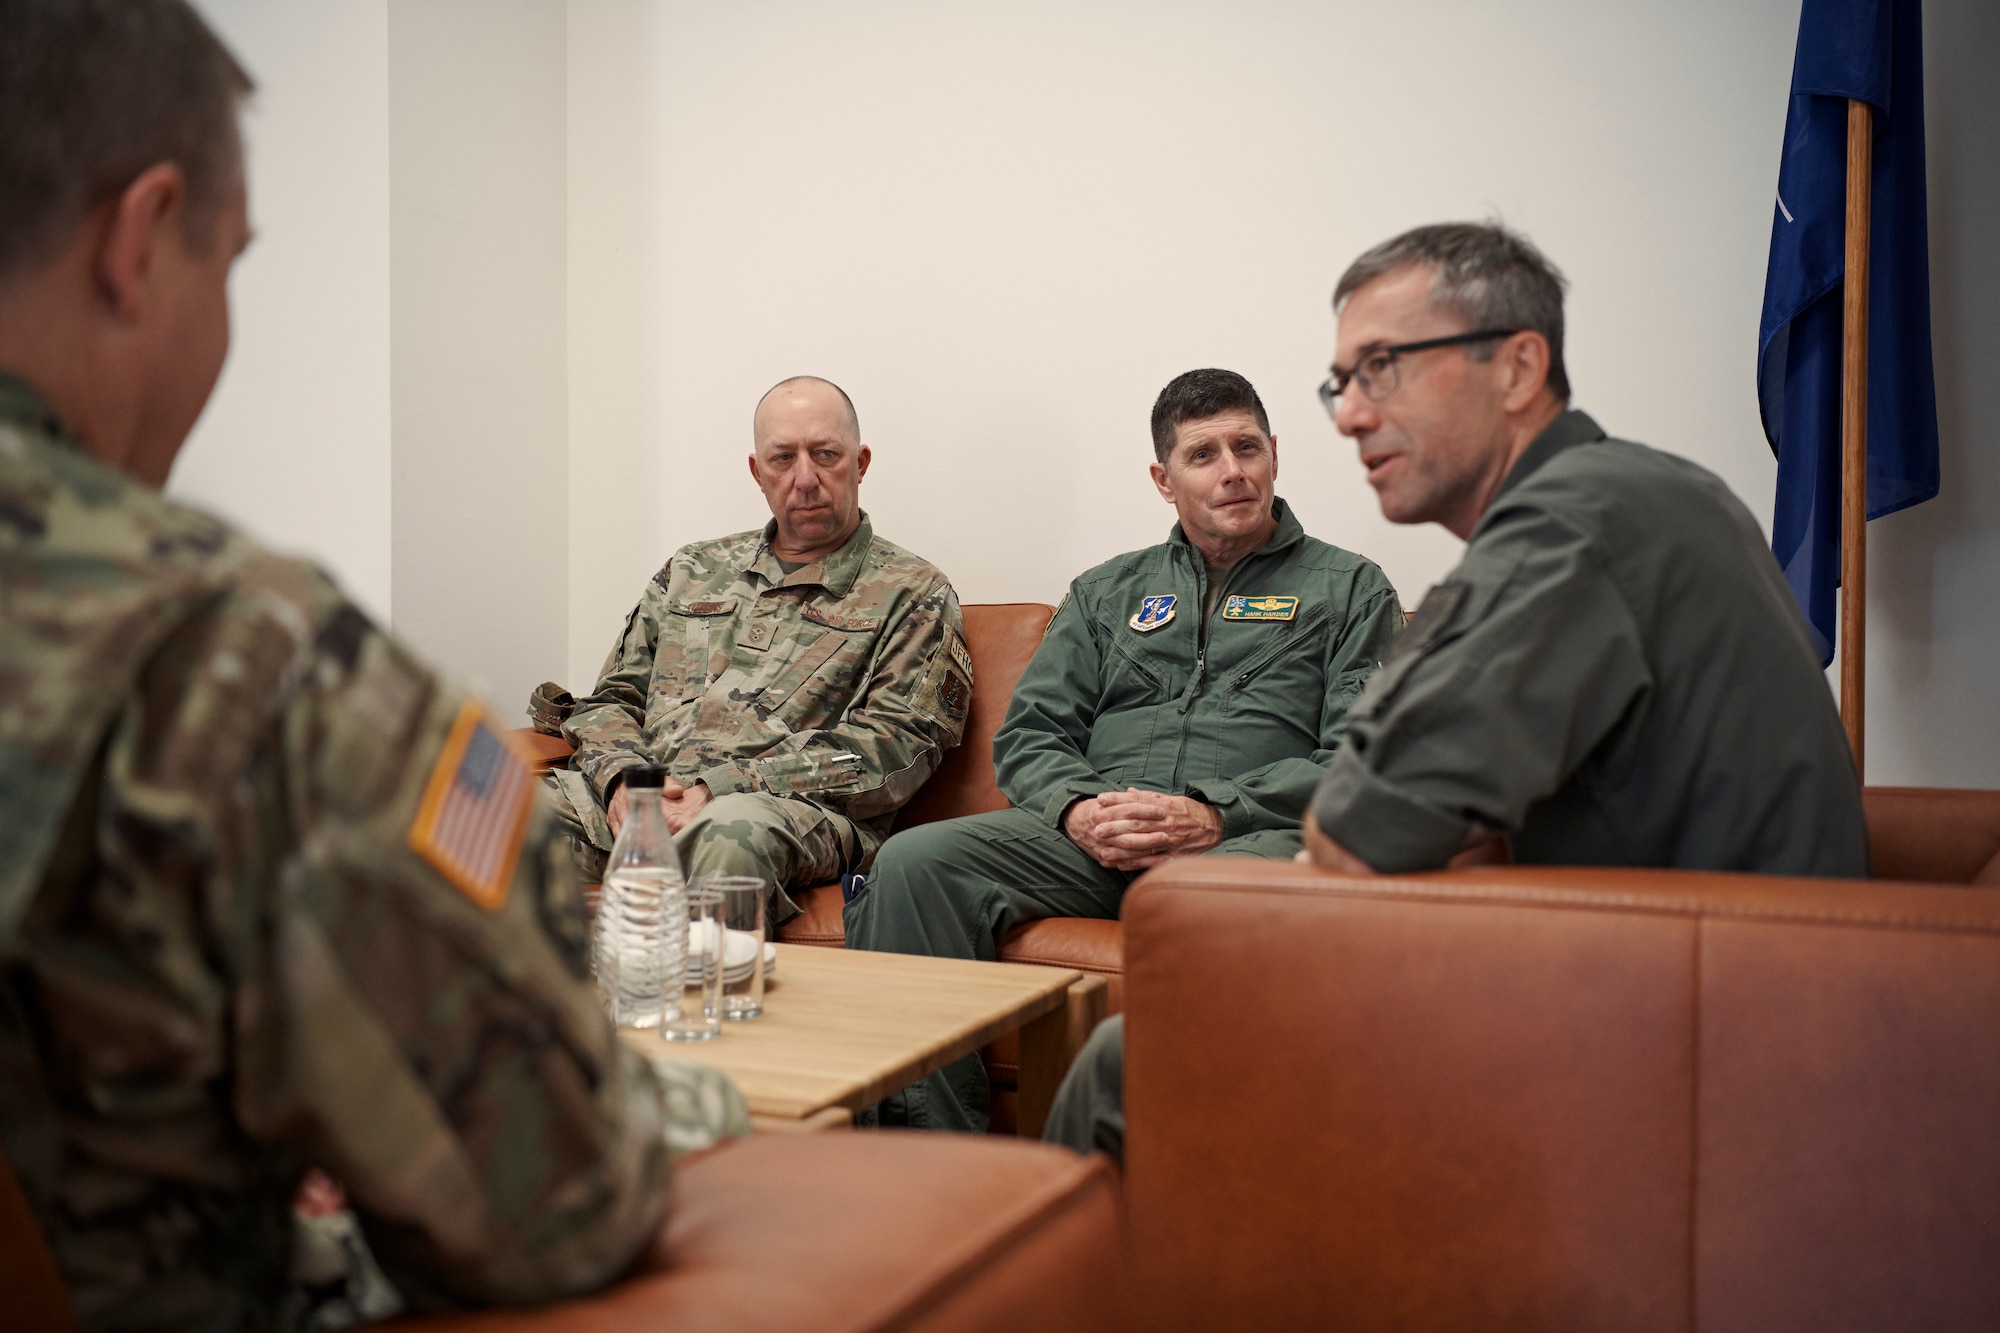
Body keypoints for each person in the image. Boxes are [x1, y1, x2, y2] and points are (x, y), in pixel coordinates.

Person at [0, 4, 744, 1328]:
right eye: (227, 264)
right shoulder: (242, 659)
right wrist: (691, 1101)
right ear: (139, 240)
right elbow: (556, 1199)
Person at [1044, 221, 1869, 1162]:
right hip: (1719, 981)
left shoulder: (1567, 532)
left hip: (1703, 1025)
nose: (1351, 414)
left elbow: (1355, 827)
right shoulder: (1647, 487)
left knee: (1128, 1059)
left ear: (1518, 368)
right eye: (1343, 383)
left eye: (1384, 368)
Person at [847, 368, 1404, 1132]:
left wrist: (1214, 812)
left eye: (1247, 446)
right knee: (913, 865)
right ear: (1163, 479)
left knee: (1202, 900)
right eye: (1203, 454)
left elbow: (1359, 756)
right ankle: (935, 1163)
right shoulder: (1108, 591)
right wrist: (1077, 808)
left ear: (1276, 454)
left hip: (1247, 840)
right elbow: (1032, 732)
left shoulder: (1350, 589)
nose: (1232, 469)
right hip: (1094, 838)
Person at [543, 377, 970, 925]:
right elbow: (612, 700)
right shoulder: (692, 570)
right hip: (641, 802)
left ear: (860, 462)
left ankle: (703, 1008)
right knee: (480, 819)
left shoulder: (914, 593)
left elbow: (894, 748)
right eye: (782, 459)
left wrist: (715, 789)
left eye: (825, 455)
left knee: (729, 835)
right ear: (757, 472)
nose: (806, 479)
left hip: (784, 812)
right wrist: (627, 781)